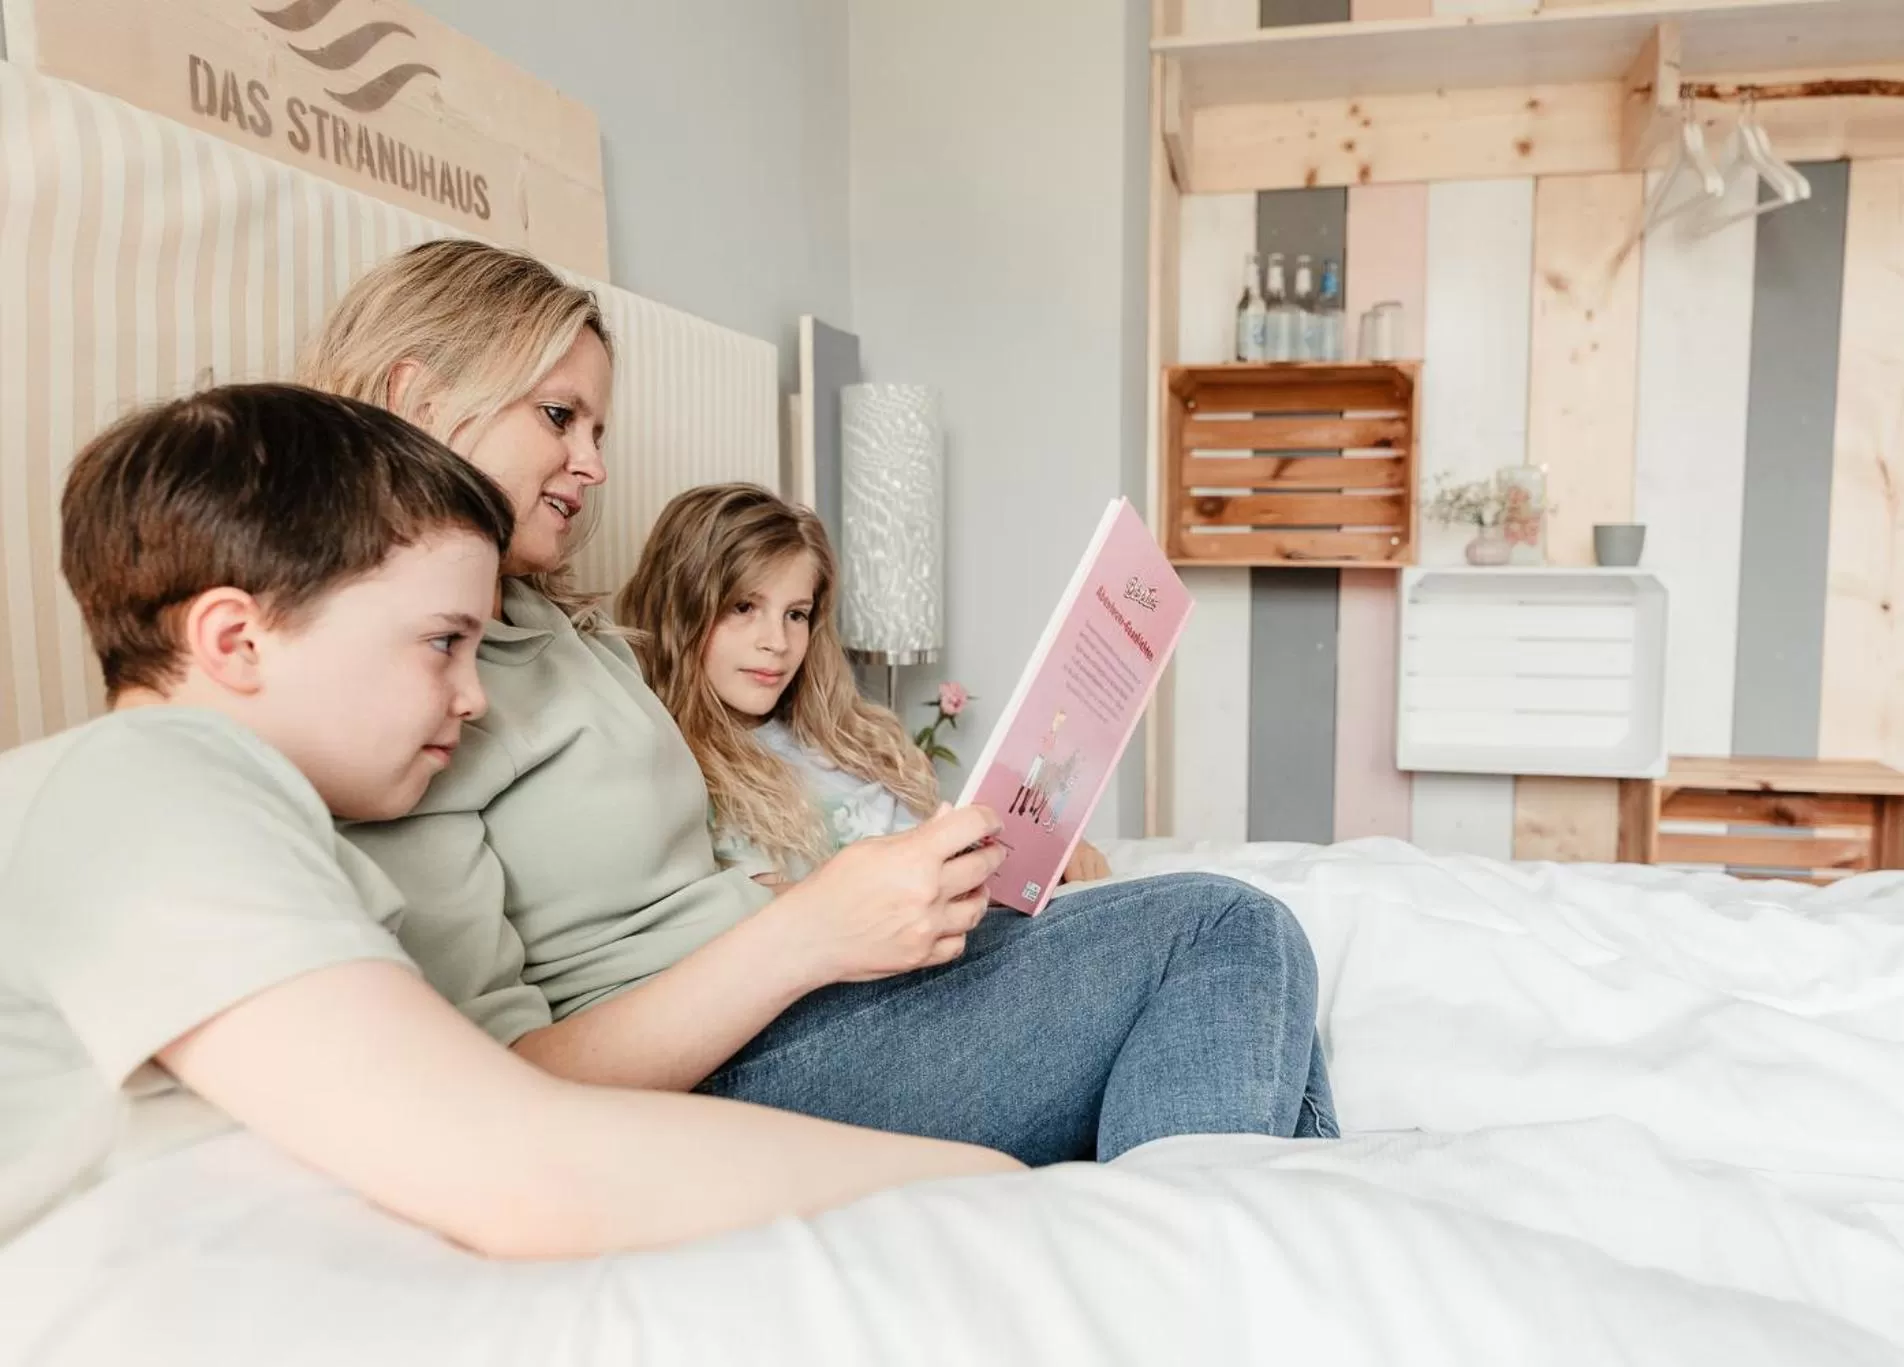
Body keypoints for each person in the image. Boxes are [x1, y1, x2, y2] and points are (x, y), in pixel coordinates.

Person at [307, 239, 1338, 1162]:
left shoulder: (561, 633)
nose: (594, 462)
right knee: (1222, 933)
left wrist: (848, 891)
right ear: (420, 398)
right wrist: (807, 929)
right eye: (557, 416)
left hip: (789, 992)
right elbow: (499, 1090)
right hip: (714, 1062)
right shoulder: (402, 669)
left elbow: (689, 870)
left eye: (598, 425)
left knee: (1258, 983)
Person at [0, 384, 1017, 1258]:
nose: (474, 694)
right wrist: (988, 1181)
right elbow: (521, 1157)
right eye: (442, 642)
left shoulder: (269, 826)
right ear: (235, 637)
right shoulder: (143, 783)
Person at [610, 481, 1112, 888]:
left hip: (961, 932)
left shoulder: (842, 739)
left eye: (796, 614)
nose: (778, 642)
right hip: (882, 986)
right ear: (680, 612)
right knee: (1187, 918)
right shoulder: (684, 778)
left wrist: (1044, 858)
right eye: (744, 607)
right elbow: (776, 928)